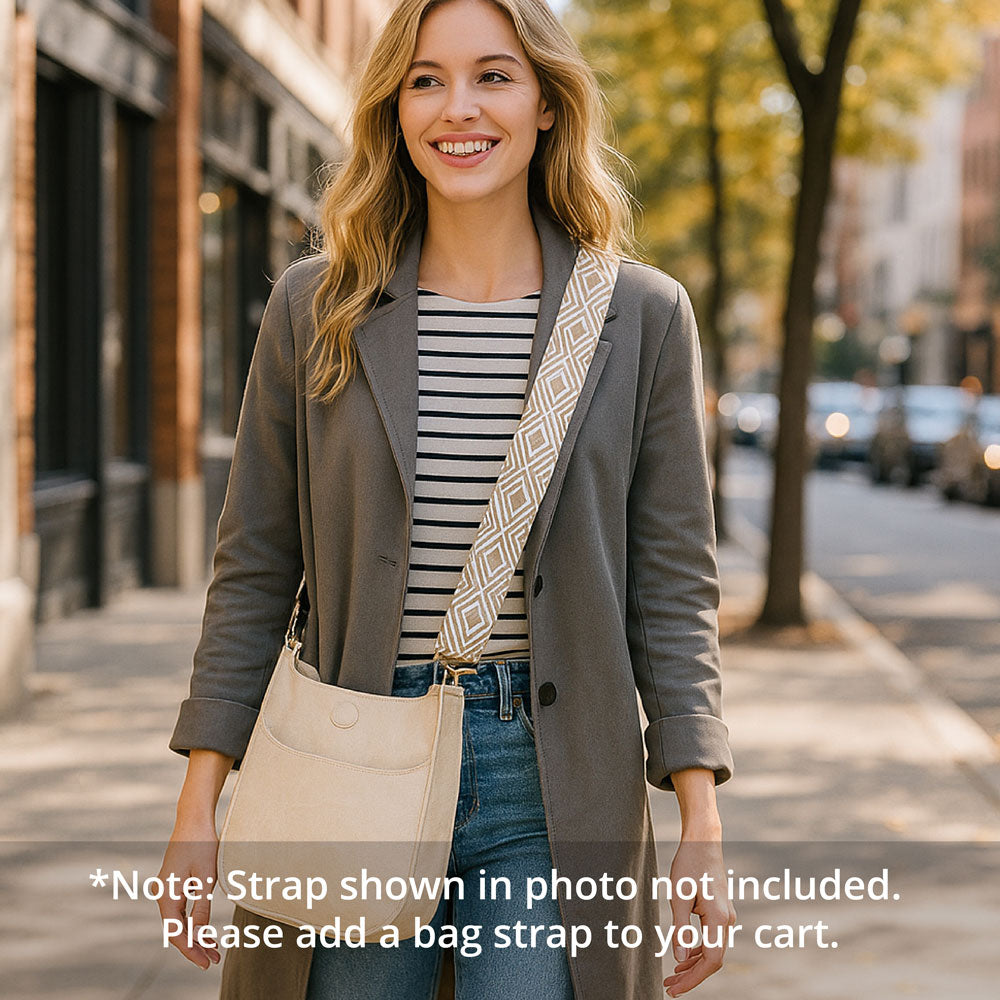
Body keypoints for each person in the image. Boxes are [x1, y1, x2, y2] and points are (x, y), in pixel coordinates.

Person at [157, 1, 736, 998]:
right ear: (393, 105)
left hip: (551, 783)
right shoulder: (318, 306)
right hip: (353, 764)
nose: (457, 107)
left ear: (548, 102)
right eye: (425, 79)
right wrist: (198, 803)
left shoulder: (641, 317)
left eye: (493, 76)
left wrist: (701, 822)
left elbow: (672, 587)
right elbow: (254, 565)